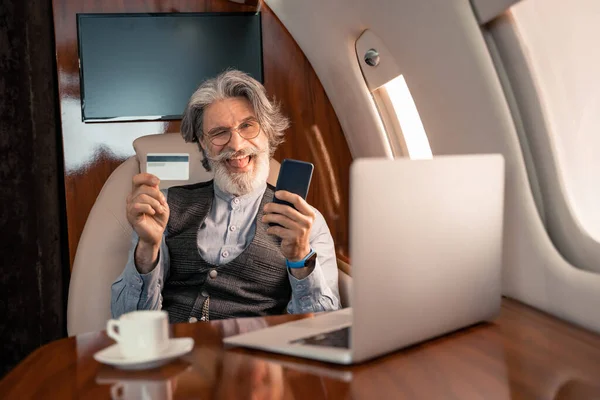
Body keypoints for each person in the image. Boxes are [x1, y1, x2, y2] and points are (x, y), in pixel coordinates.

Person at [111, 70, 340, 323]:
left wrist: (300, 259)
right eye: (219, 133)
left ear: (267, 132)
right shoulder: (161, 208)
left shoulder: (307, 223)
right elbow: (127, 321)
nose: (236, 144)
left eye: (247, 126)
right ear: (203, 143)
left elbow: (322, 327)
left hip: (255, 357)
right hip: (176, 354)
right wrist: (148, 248)